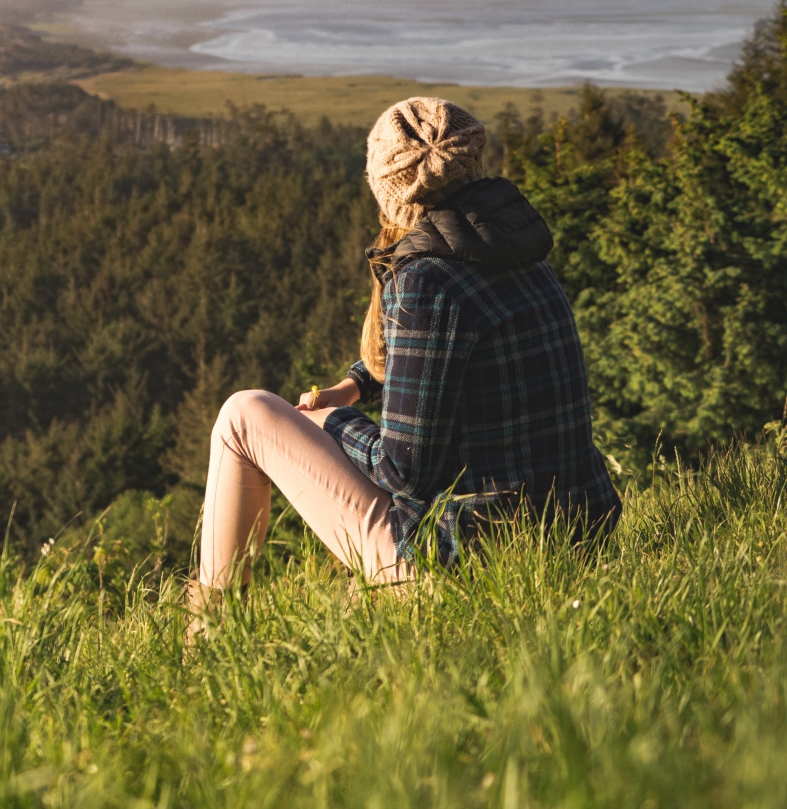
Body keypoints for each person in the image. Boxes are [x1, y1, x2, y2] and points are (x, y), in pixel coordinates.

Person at [192, 96, 622, 602]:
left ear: (388, 188)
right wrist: (353, 385)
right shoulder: (518, 249)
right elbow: (443, 356)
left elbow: (404, 472)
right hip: (579, 536)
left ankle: (213, 622)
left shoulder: (427, 281)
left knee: (245, 414)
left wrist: (330, 421)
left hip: (480, 561)